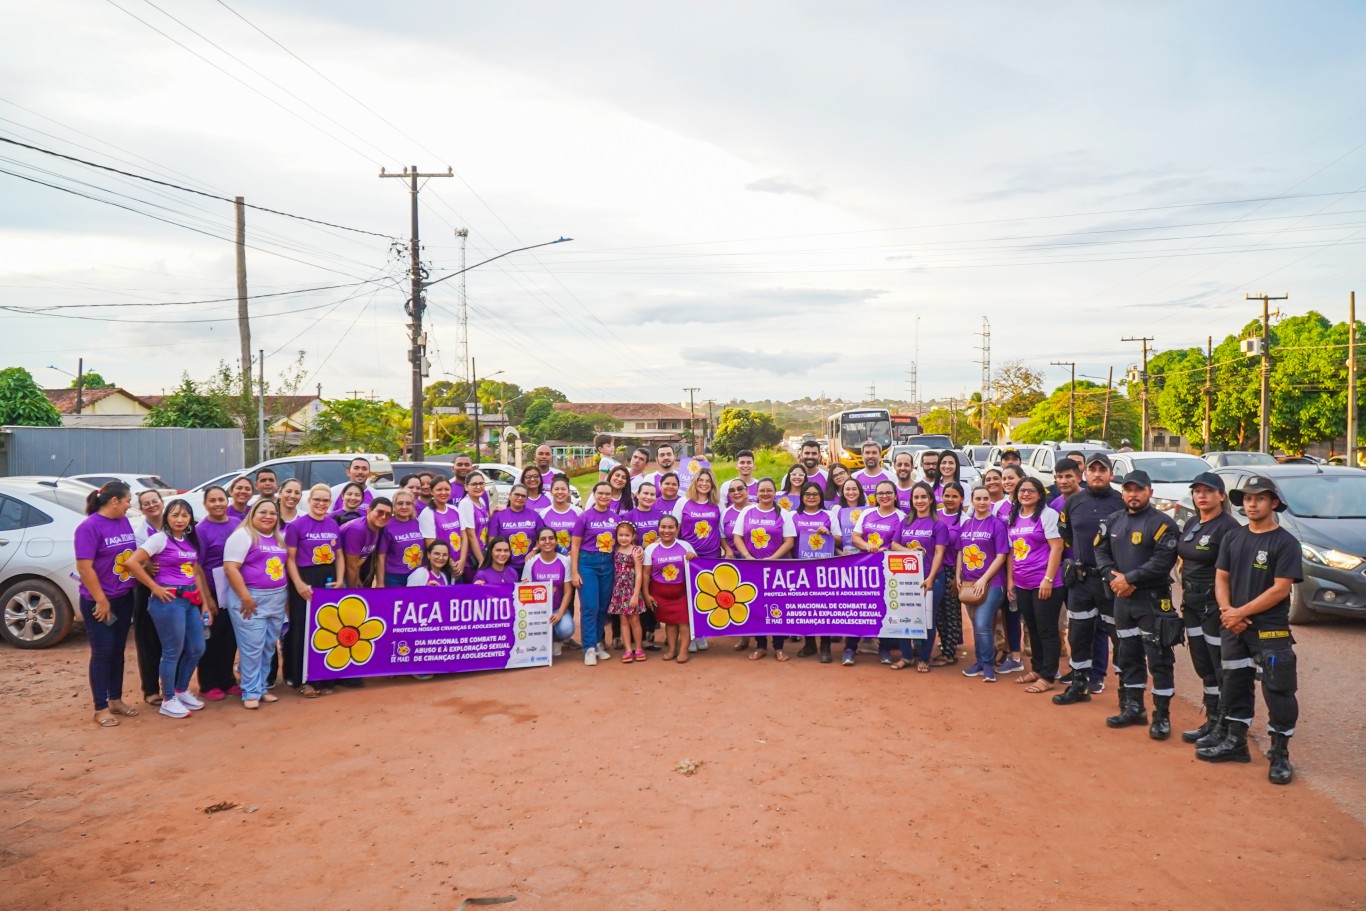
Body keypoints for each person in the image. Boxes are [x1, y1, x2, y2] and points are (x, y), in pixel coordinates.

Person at [1196, 476, 1302, 785]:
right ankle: (1235, 742)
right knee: (1234, 683)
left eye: (1259, 498)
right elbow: (1221, 578)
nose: (1251, 503)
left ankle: (1280, 754)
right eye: (1246, 498)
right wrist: (1229, 612)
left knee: (1278, 688)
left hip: (1270, 632)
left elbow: (1280, 590)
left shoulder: (1285, 542)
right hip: (1234, 628)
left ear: (1274, 503)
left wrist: (1240, 612)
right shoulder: (1233, 537)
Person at [1094, 468, 1180, 738]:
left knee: (1159, 658)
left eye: (1139, 490)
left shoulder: (1163, 524)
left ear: (1150, 492)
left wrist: (1129, 579)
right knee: (1128, 655)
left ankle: (1162, 716)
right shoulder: (1113, 520)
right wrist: (1112, 577)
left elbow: (1161, 562)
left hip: (1152, 601)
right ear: (1123, 492)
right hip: (1122, 601)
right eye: (1129, 490)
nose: (1133, 494)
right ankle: (1134, 708)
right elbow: (1100, 550)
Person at [126, 498, 213, 719]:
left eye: (184, 515)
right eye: (175, 515)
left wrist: (204, 601)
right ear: (167, 517)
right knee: (172, 651)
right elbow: (132, 563)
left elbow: (194, 572)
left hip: (189, 600)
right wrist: (154, 587)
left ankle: (181, 690)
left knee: (196, 647)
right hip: (168, 602)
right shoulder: (159, 539)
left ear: (190, 519)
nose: (180, 519)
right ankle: (168, 699)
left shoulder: (189, 540)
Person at [1053, 453, 1125, 706]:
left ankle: (1127, 695)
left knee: (1120, 637)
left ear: (1111, 474)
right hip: (1081, 581)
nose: (1097, 474)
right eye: (1092, 470)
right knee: (1079, 635)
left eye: (1102, 470)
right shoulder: (1073, 503)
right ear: (1085, 474)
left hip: (1112, 582)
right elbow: (1067, 536)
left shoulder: (1121, 502)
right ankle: (1079, 685)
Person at [1177, 472, 1241, 744]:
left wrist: (1228, 608)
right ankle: (1212, 720)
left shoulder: (1229, 527)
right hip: (1191, 604)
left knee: (1219, 666)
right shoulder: (1193, 522)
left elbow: (1235, 572)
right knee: (1203, 664)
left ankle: (1226, 726)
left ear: (1221, 496)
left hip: (1214, 607)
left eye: (1208, 491)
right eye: (1197, 491)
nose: (1201, 495)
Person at [75, 481, 141, 727]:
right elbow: (84, 566)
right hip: (99, 601)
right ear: (114, 501)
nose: (129, 505)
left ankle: (115, 699)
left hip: (124, 597)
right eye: (127, 501)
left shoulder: (121, 521)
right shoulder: (89, 527)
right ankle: (100, 707)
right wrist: (101, 600)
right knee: (103, 652)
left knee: (118, 651)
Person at [222, 499, 290, 709]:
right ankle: (250, 691)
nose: (268, 516)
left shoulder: (278, 537)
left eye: (272, 513)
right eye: (263, 512)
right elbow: (230, 568)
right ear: (253, 514)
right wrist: (245, 597)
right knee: (252, 647)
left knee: (269, 646)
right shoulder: (243, 535)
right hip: (251, 599)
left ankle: (260, 687)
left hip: (276, 599)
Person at [1005, 477, 1065, 694]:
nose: (1026, 494)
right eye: (1022, 491)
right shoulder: (1014, 516)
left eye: (1031, 491)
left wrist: (1048, 580)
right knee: (1031, 627)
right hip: (1022, 583)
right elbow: (1012, 552)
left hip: (1045, 582)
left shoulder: (1047, 515)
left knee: (1047, 629)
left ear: (1040, 494)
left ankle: (1048, 676)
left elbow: (1057, 548)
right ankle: (1037, 669)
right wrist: (1011, 580)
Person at [284, 484, 345, 696]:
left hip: (328, 578)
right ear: (309, 501)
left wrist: (339, 579)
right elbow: (289, 559)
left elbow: (339, 554)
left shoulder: (332, 524)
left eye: (325, 500)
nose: (321, 504)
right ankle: (304, 679)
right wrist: (299, 583)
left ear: (330, 503)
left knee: (327, 626)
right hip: (305, 578)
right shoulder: (296, 526)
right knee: (303, 627)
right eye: (317, 500)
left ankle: (325, 676)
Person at [734, 478, 796, 661]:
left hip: (777, 569)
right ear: (756, 492)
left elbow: (789, 542)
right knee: (756, 606)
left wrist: (772, 559)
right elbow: (737, 537)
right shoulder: (746, 511)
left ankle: (779, 647)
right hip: (751, 567)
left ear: (775, 493)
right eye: (762, 490)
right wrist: (747, 557)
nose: (765, 494)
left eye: (769, 490)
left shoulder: (784, 514)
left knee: (777, 607)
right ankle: (760, 645)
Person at [847, 480, 905, 666]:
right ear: (875, 497)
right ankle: (850, 647)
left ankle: (885, 647)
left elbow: (901, 543)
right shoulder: (867, 513)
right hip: (865, 567)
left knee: (885, 608)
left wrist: (889, 552)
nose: (884, 496)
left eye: (888, 493)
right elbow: (855, 538)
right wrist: (867, 546)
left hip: (889, 570)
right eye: (880, 493)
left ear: (895, 496)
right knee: (857, 608)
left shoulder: (902, 516)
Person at [891, 481, 947, 672]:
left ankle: (924, 658)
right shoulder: (905, 521)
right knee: (903, 616)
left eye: (924, 496)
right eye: (916, 497)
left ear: (931, 499)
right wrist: (911, 551)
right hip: (906, 578)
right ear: (912, 500)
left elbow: (939, 553)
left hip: (931, 578)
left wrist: (931, 577)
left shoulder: (938, 525)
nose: (920, 500)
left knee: (927, 619)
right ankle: (906, 656)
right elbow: (894, 545)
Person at [958, 486, 1010, 683]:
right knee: (975, 623)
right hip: (968, 583)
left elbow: (1001, 555)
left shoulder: (996, 525)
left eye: (985, 498)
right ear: (972, 501)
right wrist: (958, 576)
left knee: (982, 624)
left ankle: (988, 665)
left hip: (992, 583)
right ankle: (979, 662)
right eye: (978, 498)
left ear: (990, 501)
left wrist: (984, 579)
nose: (981, 502)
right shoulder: (967, 524)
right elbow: (960, 552)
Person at [195, 486, 240, 700]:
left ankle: (227, 679)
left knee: (230, 639)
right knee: (210, 639)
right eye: (212, 500)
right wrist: (207, 599)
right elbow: (197, 567)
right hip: (212, 592)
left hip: (234, 591)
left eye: (221, 499)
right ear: (205, 504)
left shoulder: (236, 524)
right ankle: (208, 683)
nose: (218, 504)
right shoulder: (201, 530)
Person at [570, 482, 621, 666]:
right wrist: (575, 572)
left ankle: (598, 643)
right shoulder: (584, 517)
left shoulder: (615, 518)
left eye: (608, 494)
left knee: (602, 607)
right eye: (600, 493)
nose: (604, 496)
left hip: (607, 563)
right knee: (590, 606)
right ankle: (589, 648)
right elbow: (574, 546)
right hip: (587, 563)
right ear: (594, 494)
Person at [791, 480, 841, 662]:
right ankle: (809, 643)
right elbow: (788, 541)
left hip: (824, 569)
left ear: (820, 497)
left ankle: (825, 645)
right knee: (805, 607)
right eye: (807, 494)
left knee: (823, 607)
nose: (811, 497)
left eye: (815, 494)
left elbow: (839, 540)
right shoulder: (792, 516)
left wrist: (827, 533)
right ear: (802, 497)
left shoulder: (828, 515)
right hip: (800, 569)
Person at [643, 514, 696, 662]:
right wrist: (646, 594)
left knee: (684, 622)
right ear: (658, 528)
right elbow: (646, 574)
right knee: (670, 623)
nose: (667, 530)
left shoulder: (685, 546)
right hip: (660, 593)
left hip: (682, 592)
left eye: (671, 527)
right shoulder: (651, 549)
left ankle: (684, 651)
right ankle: (672, 649)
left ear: (677, 528)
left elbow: (697, 568)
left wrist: (693, 556)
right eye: (663, 527)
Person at [130, 489, 165, 706]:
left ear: (162, 502)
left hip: (177, 588)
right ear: (141, 509)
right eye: (146, 504)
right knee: (148, 642)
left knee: (176, 641)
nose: (151, 505)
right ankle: (151, 689)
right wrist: (145, 564)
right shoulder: (139, 533)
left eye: (155, 501)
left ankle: (176, 687)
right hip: (147, 590)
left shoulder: (178, 522)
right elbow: (131, 561)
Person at [522, 528, 574, 657]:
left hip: (556, 608)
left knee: (566, 629)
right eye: (543, 539)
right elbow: (524, 590)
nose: (547, 542)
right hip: (536, 610)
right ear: (538, 543)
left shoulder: (565, 561)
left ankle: (556, 640)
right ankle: (541, 641)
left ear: (556, 542)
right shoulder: (531, 562)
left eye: (551, 538)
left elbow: (568, 592)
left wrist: (560, 613)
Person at [934, 481, 967, 664]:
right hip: (935, 569)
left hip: (954, 570)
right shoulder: (935, 516)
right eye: (947, 495)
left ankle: (949, 653)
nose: (950, 499)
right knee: (938, 611)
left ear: (962, 499)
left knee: (952, 612)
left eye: (955, 496)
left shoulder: (965, 520)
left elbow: (964, 550)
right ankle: (944, 644)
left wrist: (958, 577)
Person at [606, 522, 646, 663]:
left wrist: (636, 594)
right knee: (623, 620)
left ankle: (639, 648)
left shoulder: (635, 551)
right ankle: (628, 649)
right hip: (619, 590)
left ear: (633, 536)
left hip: (631, 590)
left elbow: (639, 574)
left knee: (634, 620)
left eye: (627, 535)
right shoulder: (615, 550)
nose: (623, 538)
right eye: (620, 535)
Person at [487, 484, 545, 575]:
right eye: (516, 494)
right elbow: (492, 541)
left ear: (527, 499)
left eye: (523, 496)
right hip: (505, 565)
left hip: (529, 565)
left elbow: (542, 537)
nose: (520, 498)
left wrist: (534, 550)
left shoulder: (534, 516)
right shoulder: (499, 515)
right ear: (509, 495)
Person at [340, 498, 393, 589]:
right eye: (380, 512)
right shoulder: (357, 529)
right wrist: (352, 593)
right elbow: (351, 566)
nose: (383, 517)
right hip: (337, 573)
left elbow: (359, 557)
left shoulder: (375, 527)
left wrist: (357, 578)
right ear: (369, 511)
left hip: (348, 570)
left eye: (388, 514)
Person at [377, 489, 426, 586]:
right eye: (400, 503)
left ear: (413, 506)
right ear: (393, 506)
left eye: (408, 503)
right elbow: (381, 556)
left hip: (417, 575)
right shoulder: (386, 525)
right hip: (394, 578)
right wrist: (380, 582)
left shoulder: (419, 523)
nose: (404, 507)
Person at [418, 476, 465, 573]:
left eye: (447, 489)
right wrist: (450, 563)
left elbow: (464, 537)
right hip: (441, 566)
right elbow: (430, 544)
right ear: (431, 492)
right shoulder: (427, 514)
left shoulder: (455, 510)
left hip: (458, 565)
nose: (443, 493)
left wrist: (462, 561)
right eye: (439, 490)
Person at [457, 472, 493, 576]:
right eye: (474, 484)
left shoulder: (481, 500)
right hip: (472, 559)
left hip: (483, 552)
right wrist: (481, 561)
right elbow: (470, 535)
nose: (478, 487)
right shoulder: (466, 504)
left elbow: (482, 525)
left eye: (481, 483)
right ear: (466, 487)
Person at [540, 476, 581, 555]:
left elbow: (583, 536)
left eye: (563, 489)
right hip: (551, 557)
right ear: (551, 492)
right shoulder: (543, 514)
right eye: (556, 489)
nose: (560, 492)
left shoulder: (578, 512)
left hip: (573, 557)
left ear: (569, 492)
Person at [834, 478, 867, 556]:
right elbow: (833, 536)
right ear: (843, 492)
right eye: (847, 489)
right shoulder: (837, 510)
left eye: (854, 489)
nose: (851, 492)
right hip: (843, 556)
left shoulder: (867, 511)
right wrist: (840, 553)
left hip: (864, 556)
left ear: (860, 491)